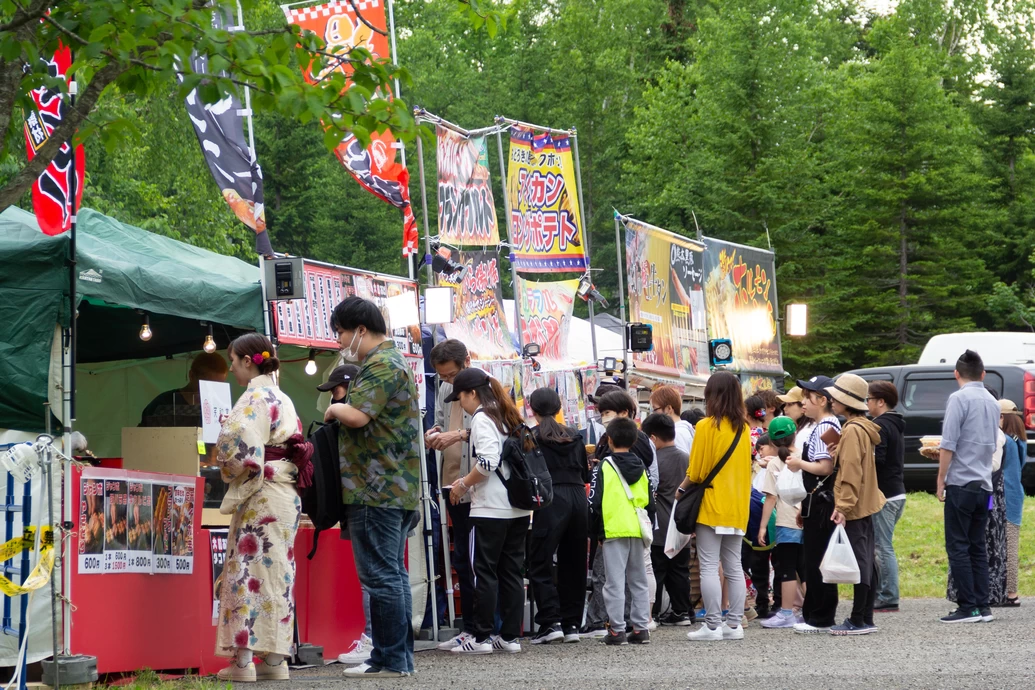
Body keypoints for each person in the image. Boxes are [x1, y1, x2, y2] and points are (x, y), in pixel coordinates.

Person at [325, 296, 421, 677]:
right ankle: (396, 658)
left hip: (374, 487)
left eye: (341, 332)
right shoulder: (396, 362)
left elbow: (358, 415)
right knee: (392, 575)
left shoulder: (380, 364)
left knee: (380, 577)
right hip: (395, 487)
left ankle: (389, 659)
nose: (339, 341)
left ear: (360, 330)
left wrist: (333, 409)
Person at [214, 334, 311, 683]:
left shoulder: (254, 396)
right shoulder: (282, 396)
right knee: (278, 574)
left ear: (247, 360)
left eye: (233, 360)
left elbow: (234, 452)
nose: (231, 367)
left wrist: (227, 469)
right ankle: (275, 659)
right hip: (285, 493)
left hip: (263, 493)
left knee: (248, 574)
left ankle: (243, 662)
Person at [446, 369, 531, 655]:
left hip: (490, 509)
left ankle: (480, 637)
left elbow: (486, 462)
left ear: (471, 393)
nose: (461, 404)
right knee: (511, 573)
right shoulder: (507, 414)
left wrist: (461, 485)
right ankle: (509, 637)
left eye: (460, 398)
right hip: (518, 508)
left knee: (483, 572)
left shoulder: (483, 418)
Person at [681, 371, 752, 642]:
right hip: (737, 505)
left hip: (711, 503)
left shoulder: (705, 427)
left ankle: (711, 625)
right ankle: (734, 624)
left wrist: (680, 490)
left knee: (709, 565)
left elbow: (697, 471)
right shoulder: (743, 428)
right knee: (734, 566)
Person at [583, 389, 659, 636]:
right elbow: (650, 501)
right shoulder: (641, 465)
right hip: (638, 530)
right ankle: (640, 627)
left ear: (611, 441)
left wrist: (596, 532)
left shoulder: (604, 465)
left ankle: (616, 629)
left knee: (613, 582)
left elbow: (594, 501)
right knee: (637, 581)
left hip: (614, 529)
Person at [423, 340, 482, 652]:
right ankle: (470, 629)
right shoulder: (445, 393)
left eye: (451, 375)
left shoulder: (486, 387)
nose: (448, 381)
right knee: (461, 557)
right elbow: (443, 424)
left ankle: (482, 631)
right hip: (451, 481)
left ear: (467, 362)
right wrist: (434, 433)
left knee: (475, 560)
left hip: (478, 487)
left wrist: (456, 435)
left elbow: (498, 430)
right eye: (443, 377)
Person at [937, 350, 999, 624]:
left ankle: (967, 607)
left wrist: (941, 479)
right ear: (983, 374)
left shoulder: (958, 398)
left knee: (958, 546)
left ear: (956, 374)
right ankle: (983, 606)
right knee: (977, 545)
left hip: (961, 482)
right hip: (984, 483)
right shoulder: (992, 401)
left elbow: (948, 442)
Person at [527, 387, 590, 645]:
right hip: (578, 496)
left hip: (551, 497)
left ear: (532, 409)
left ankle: (550, 622)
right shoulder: (575, 435)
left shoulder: (531, 437)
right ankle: (572, 623)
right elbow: (585, 473)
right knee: (574, 562)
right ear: (559, 406)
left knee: (539, 559)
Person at [321, 364, 373, 667]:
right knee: (387, 577)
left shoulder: (357, 418)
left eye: (335, 392)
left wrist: (337, 411)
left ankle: (373, 639)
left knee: (374, 578)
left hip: (365, 500)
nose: (332, 400)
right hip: (382, 500)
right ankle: (386, 640)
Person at [826, 374, 886, 636]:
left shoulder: (851, 430)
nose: (831, 400)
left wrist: (843, 507)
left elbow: (851, 472)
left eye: (835, 396)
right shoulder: (863, 426)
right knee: (867, 559)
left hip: (855, 505)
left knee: (860, 561)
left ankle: (858, 619)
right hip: (867, 503)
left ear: (845, 401)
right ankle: (866, 616)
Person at [785, 375, 840, 634]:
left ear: (822, 399)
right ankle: (817, 614)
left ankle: (820, 617)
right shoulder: (827, 424)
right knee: (815, 558)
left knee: (816, 559)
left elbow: (825, 467)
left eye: (807, 396)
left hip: (820, 501)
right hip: (817, 500)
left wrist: (798, 463)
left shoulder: (824, 427)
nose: (803, 402)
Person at [641, 413, 692, 626]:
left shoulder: (653, 462)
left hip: (660, 526)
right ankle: (683, 613)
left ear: (652, 438)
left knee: (657, 571)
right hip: (682, 523)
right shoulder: (687, 458)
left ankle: (653, 614)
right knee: (680, 570)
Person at [757, 417, 805, 629]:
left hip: (786, 522)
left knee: (787, 569)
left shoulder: (775, 464)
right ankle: (809, 610)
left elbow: (771, 498)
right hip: (807, 520)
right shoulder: (805, 457)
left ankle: (786, 613)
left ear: (773, 443)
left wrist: (762, 527)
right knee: (805, 568)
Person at [867, 380, 906, 613]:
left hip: (885, 495)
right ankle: (884, 592)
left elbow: (878, 459)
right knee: (881, 545)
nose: (867, 404)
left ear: (880, 401)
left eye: (869, 399)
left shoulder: (880, 425)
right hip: (897, 492)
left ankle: (888, 596)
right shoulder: (896, 422)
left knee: (882, 546)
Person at [140, 351, 228, 426]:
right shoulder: (162, 404)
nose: (212, 391)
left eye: (218, 386)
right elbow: (141, 438)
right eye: (207, 384)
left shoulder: (219, 409)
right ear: (192, 376)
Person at [998, 399, 1025, 607]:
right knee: (1011, 543)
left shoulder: (1004, 440)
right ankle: (1010, 591)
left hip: (1002, 496)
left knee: (1004, 545)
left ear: (1002, 417)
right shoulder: (1019, 440)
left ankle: (1010, 593)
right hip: (1016, 495)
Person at [650, 385, 694, 455]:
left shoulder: (676, 434)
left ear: (669, 409)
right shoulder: (686, 430)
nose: (653, 414)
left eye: (655, 409)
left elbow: (680, 463)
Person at [777, 387, 814, 454]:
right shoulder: (800, 429)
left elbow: (797, 460)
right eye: (785, 404)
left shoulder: (806, 432)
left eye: (789, 404)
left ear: (803, 407)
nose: (785, 408)